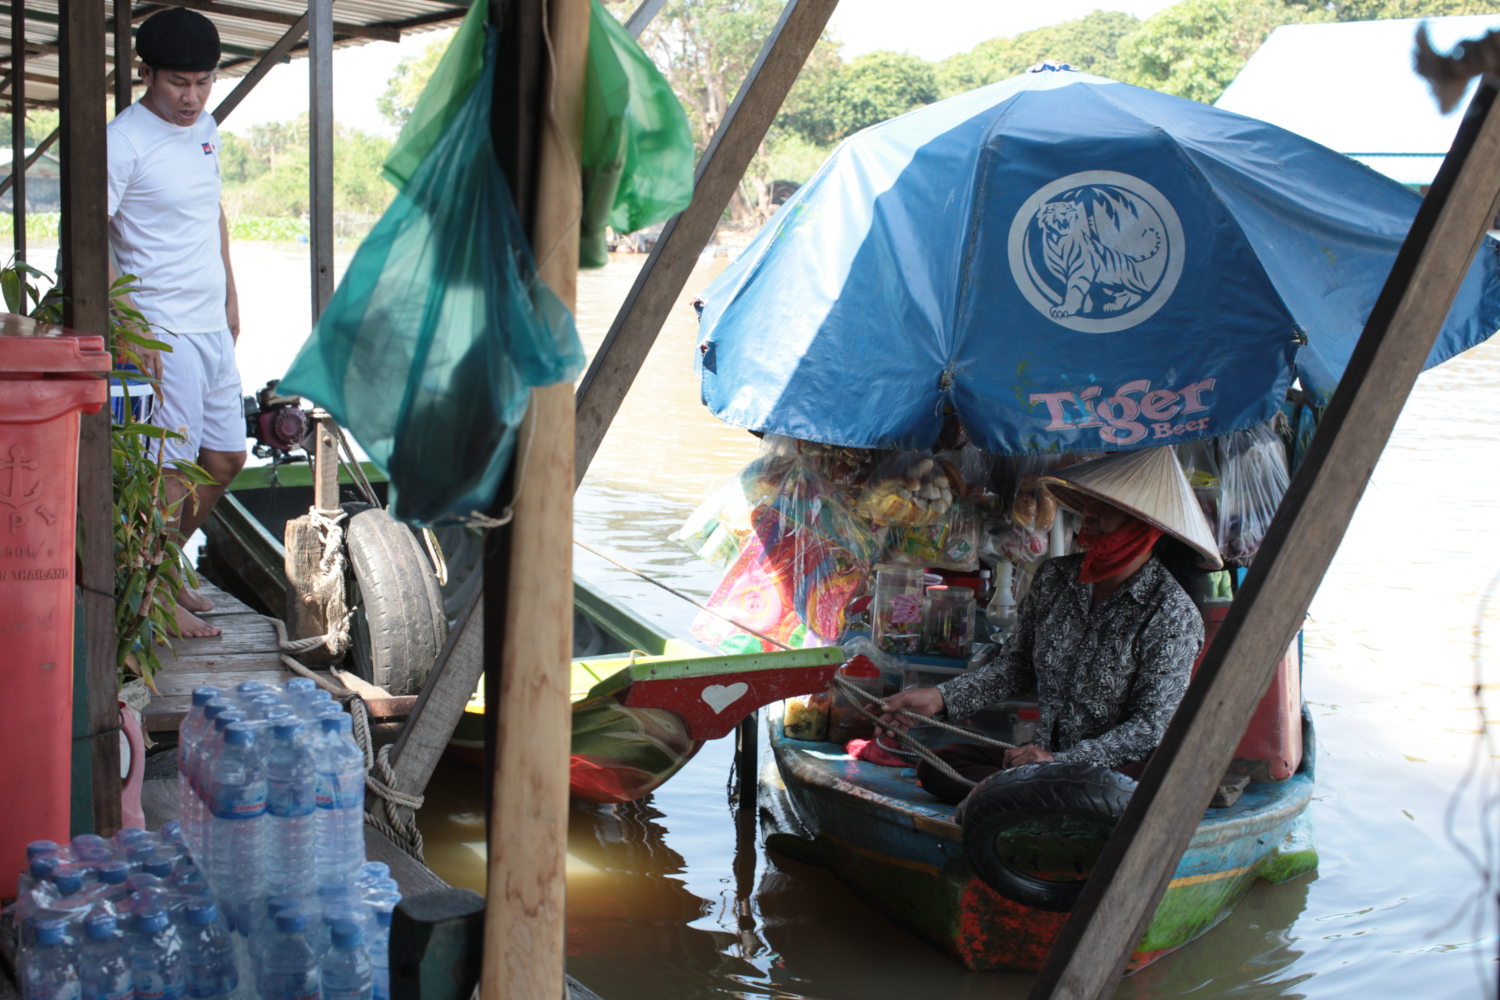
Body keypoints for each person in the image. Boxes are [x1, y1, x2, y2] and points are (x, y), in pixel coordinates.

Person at [878, 445, 1221, 802]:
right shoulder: (1056, 577)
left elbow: (1150, 728)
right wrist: (938, 699)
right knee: (940, 764)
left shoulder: (1172, 612)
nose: (1089, 511)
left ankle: (1013, 796)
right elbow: (1016, 666)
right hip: (1042, 762)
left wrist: (1060, 762)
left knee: (1106, 796)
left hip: (1112, 773)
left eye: (1108, 505)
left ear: (1145, 524)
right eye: (1090, 499)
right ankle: (1016, 796)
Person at [107, 7, 245, 638]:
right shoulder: (122, 140)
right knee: (170, 470)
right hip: (164, 329)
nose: (192, 98)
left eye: (203, 82)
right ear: (146, 73)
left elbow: (212, 213)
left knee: (225, 459)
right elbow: (89, 238)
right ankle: (148, 600)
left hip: (211, 324)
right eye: (178, 83)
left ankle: (163, 572)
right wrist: (128, 323)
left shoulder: (206, 127)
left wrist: (232, 296)